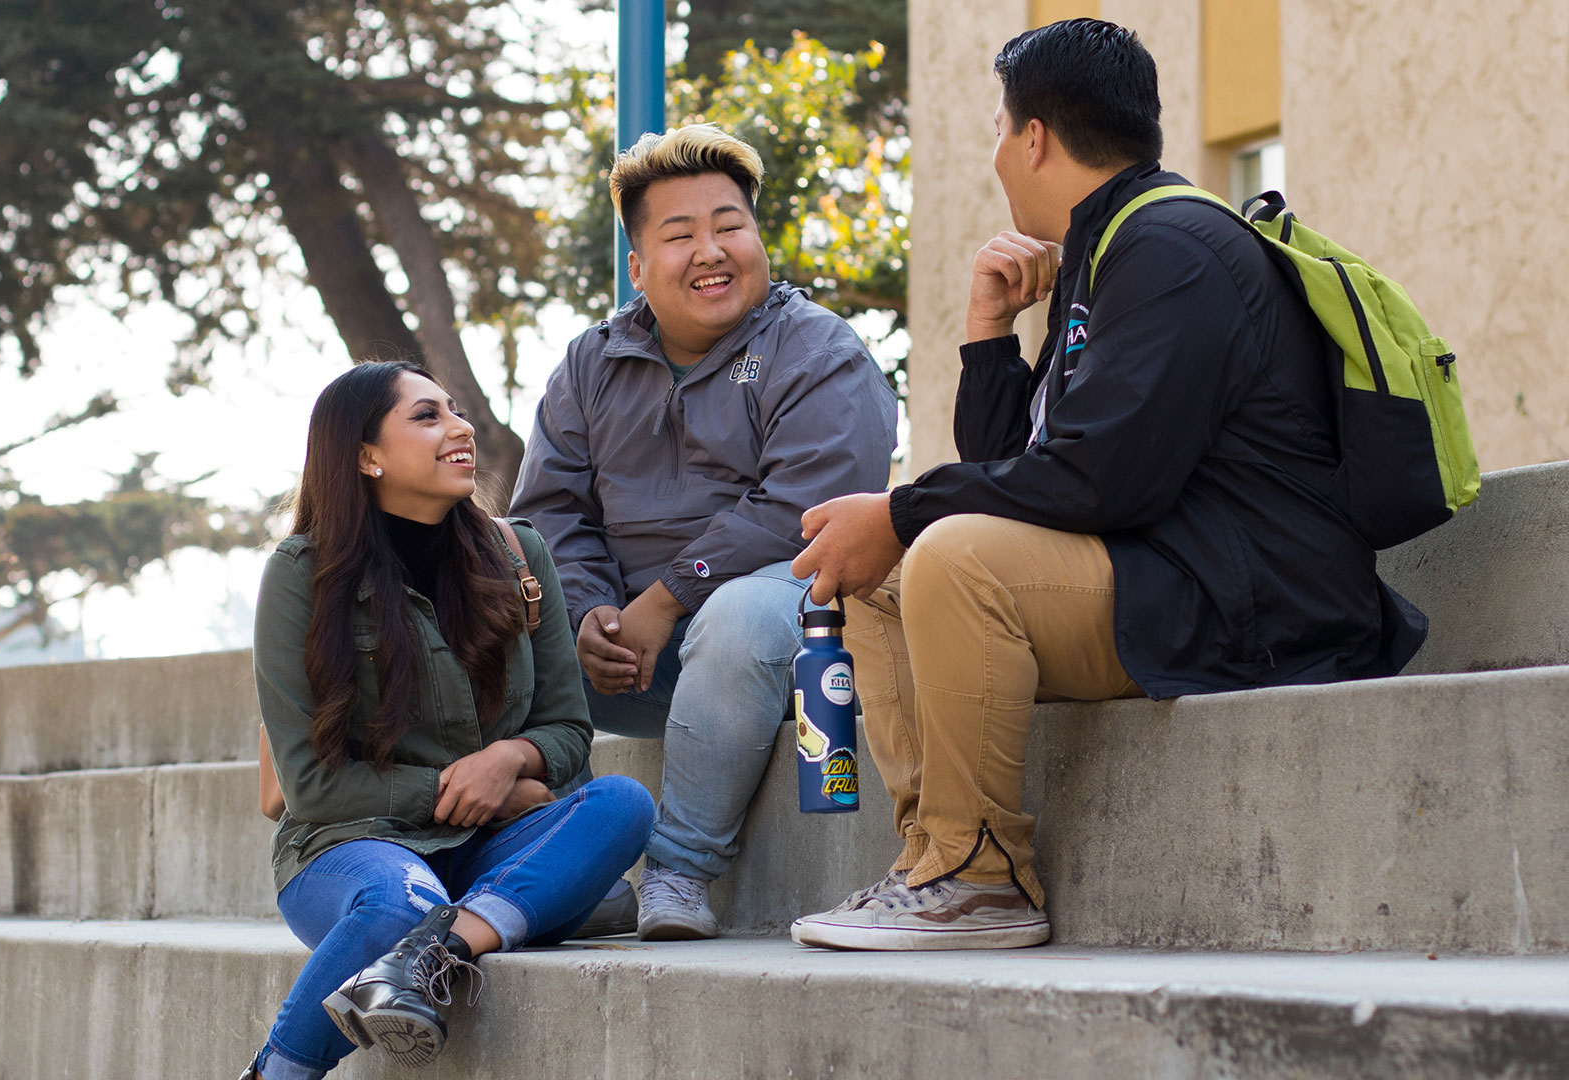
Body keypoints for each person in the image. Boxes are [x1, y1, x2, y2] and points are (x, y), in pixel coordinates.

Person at [787, 18, 1426, 951]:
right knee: (890, 574)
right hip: (1168, 571)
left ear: (1035, 137)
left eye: (1000, 132)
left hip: (1257, 603)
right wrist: (988, 334)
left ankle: (982, 873)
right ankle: (932, 859)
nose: (997, 156)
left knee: (951, 554)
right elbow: (1024, 465)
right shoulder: (1111, 248)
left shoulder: (1174, 248)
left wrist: (900, 507)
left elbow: (1099, 480)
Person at [511, 124, 898, 940]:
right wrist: (585, 614)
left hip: (796, 643)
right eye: (679, 234)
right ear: (637, 266)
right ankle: (543, 866)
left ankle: (677, 873)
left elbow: (801, 506)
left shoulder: (819, 349)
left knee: (740, 613)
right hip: (632, 660)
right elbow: (550, 512)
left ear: (758, 237)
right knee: (490, 608)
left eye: (730, 226)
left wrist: (667, 595)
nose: (710, 251)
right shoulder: (590, 365)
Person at [241, 361, 655, 1079]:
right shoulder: (299, 573)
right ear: (366, 455)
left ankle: (431, 956)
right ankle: (278, 1072)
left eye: (456, 411)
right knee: (400, 903)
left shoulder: (518, 555)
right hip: (351, 845)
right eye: (427, 416)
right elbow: (309, 787)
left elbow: (565, 728)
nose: (460, 428)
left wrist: (511, 761)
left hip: (489, 848)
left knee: (622, 803)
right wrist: (458, 787)